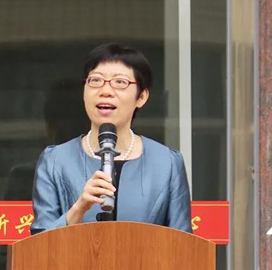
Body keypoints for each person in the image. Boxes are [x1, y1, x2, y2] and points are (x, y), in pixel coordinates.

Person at [30, 43, 192, 234]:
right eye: (96, 80)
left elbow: (183, 243)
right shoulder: (55, 160)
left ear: (141, 97)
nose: (105, 91)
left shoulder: (167, 163)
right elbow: (39, 242)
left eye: (120, 82)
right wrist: (79, 209)